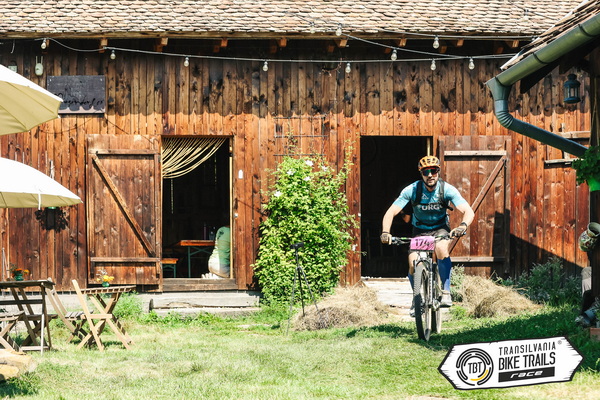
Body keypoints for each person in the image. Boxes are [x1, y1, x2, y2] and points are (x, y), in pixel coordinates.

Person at [380, 155, 474, 308]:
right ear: (421, 174)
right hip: (420, 230)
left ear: (438, 172)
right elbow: (391, 212)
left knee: (441, 248)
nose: (430, 175)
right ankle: (417, 300)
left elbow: (468, 211)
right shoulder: (412, 190)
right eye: (426, 172)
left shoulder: (447, 189)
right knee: (412, 263)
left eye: (433, 171)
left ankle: (446, 292)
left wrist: (462, 226)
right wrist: (385, 232)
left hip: (440, 228)